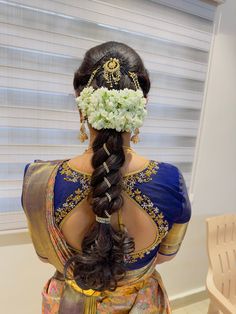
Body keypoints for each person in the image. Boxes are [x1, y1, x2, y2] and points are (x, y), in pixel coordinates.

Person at [21, 41, 192, 314]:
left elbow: (45, 256)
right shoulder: (171, 180)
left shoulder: (37, 180)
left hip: (68, 305)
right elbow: (166, 255)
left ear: (81, 108)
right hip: (141, 305)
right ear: (141, 109)